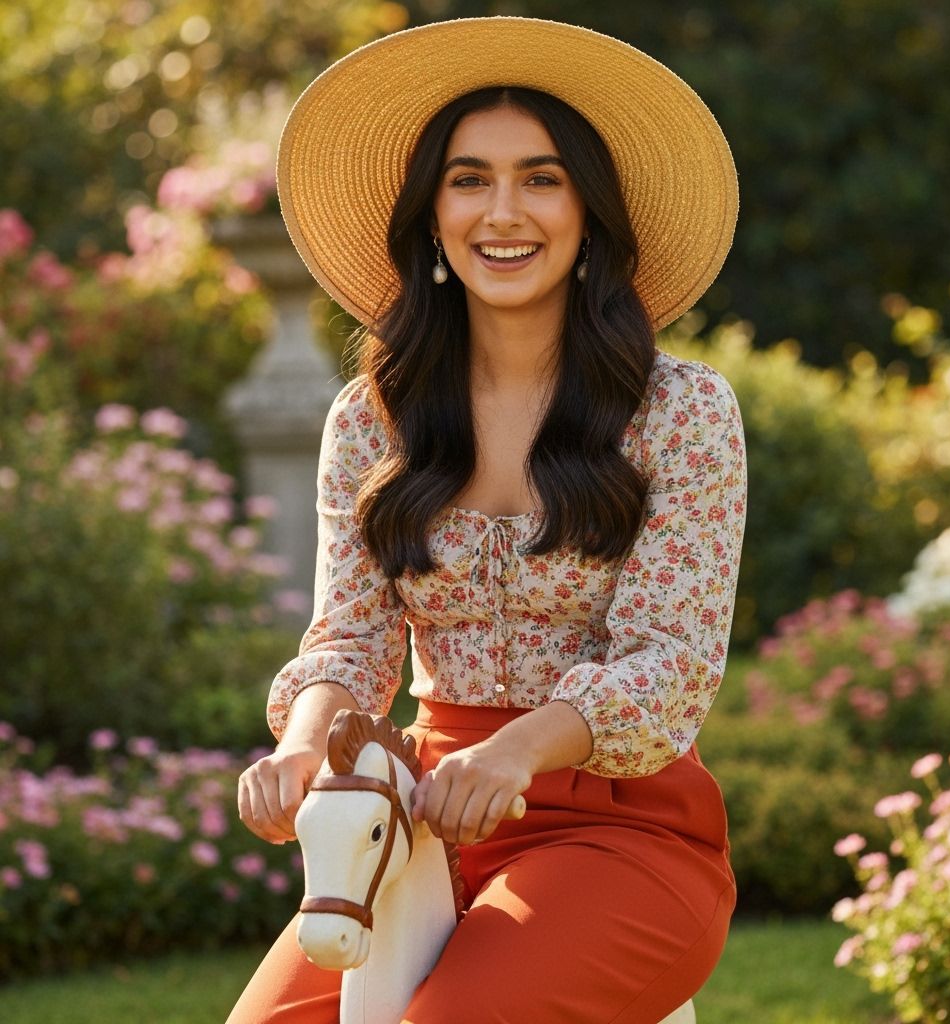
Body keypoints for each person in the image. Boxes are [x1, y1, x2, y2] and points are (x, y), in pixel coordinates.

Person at [229, 15, 746, 1024]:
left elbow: (669, 662)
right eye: (468, 179)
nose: (501, 211)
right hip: (414, 821)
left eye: (540, 178)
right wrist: (302, 748)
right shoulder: (370, 418)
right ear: (430, 214)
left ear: (590, 213)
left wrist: (515, 751)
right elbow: (348, 641)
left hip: (622, 832)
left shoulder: (682, 411)